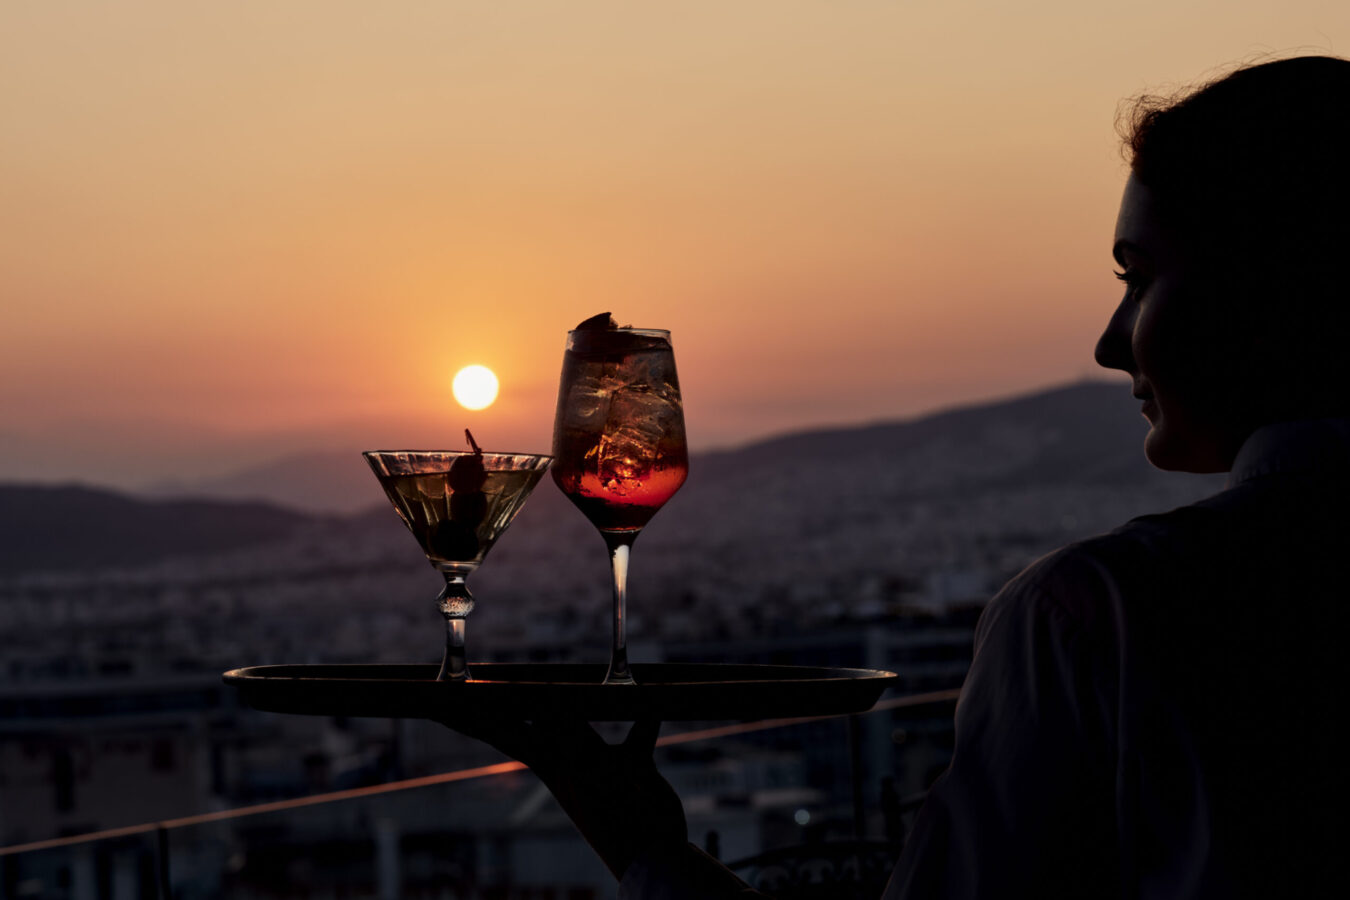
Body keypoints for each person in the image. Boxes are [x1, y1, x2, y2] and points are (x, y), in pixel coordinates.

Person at [447, 54, 1350, 897]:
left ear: (1270, 287)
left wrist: (639, 842)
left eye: (1138, 279)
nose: (1110, 344)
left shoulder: (1095, 616)